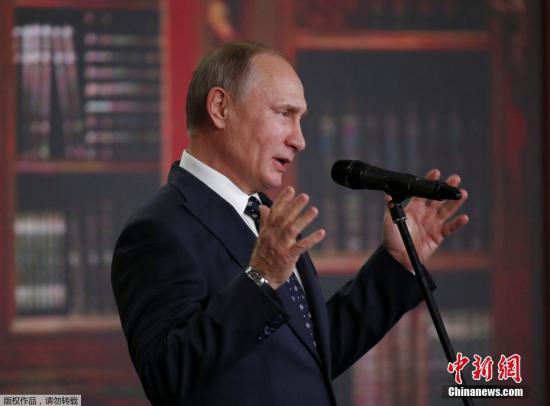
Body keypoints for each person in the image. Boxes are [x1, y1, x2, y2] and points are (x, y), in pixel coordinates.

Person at [111, 41, 469, 406]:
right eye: (284, 113)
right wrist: (261, 277)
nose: (299, 140)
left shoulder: (264, 213)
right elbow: (168, 376)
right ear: (220, 108)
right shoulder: (158, 230)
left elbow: (309, 356)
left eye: (300, 120)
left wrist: (395, 264)